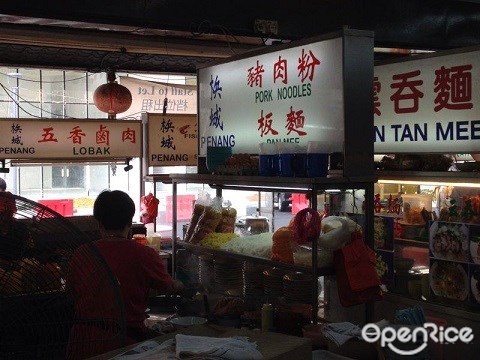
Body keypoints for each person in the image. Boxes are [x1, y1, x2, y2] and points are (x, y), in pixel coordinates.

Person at [66, 190, 183, 359]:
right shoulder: (144, 254)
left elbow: (71, 292)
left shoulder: (82, 253)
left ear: (98, 222)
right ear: (130, 221)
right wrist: (185, 286)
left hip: (81, 343)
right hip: (122, 345)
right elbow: (169, 287)